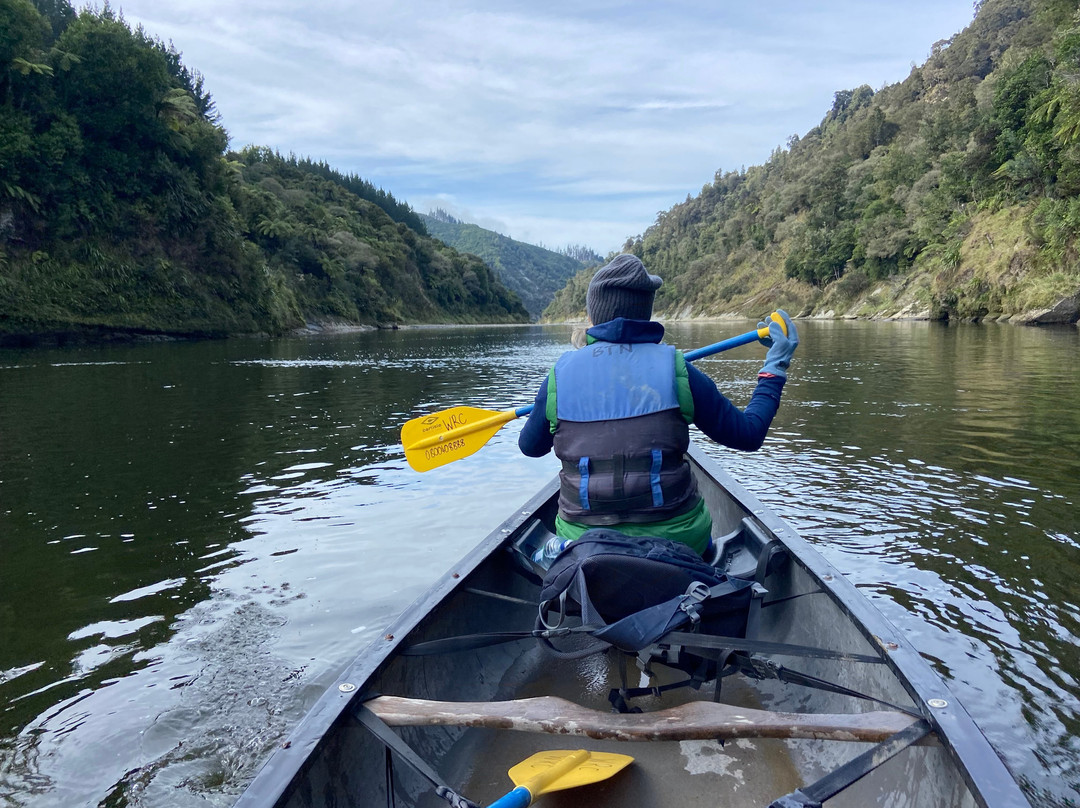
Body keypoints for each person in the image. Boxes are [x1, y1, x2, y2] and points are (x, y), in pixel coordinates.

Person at [518, 253, 798, 557]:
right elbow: (749, 434)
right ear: (646, 312)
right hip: (680, 543)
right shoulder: (678, 370)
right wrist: (775, 367)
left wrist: (547, 404)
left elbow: (530, 447)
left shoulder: (559, 377)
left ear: (593, 316)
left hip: (584, 544)